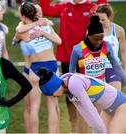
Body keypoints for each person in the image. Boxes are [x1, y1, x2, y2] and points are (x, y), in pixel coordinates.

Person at [39, 0, 107, 132]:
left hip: (88, 59)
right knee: (70, 96)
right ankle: (74, 126)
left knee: (93, 93)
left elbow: (104, 5)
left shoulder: (92, 7)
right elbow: (46, 9)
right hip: (67, 57)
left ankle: (97, 125)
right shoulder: (64, 7)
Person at [14, 2, 61, 133]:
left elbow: (18, 33)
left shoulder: (25, 30)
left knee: (34, 106)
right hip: (52, 65)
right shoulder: (46, 25)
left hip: (35, 67)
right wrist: (43, 31)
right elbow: (59, 41)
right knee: (53, 105)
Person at [38, 67, 126, 133]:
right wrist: (95, 127)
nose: (53, 96)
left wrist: (102, 131)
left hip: (121, 106)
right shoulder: (67, 88)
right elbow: (82, 110)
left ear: (55, 87)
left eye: (51, 94)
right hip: (108, 109)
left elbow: (90, 109)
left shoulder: (73, 84)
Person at [96, 3, 126, 90]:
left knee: (116, 96)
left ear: (109, 17)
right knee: (100, 101)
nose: (100, 22)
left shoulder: (118, 30)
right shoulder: (91, 30)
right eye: (98, 19)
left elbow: (124, 52)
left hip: (113, 67)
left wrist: (125, 69)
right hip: (97, 68)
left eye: (103, 20)